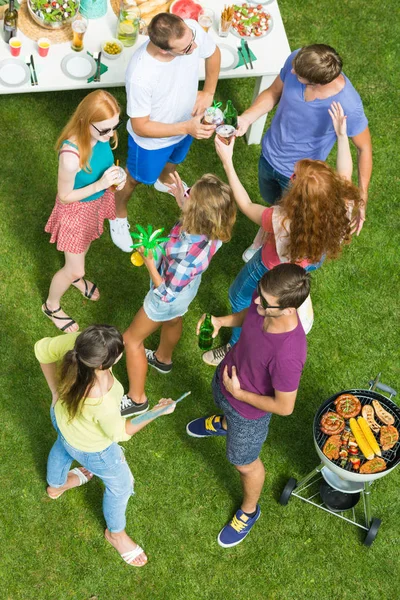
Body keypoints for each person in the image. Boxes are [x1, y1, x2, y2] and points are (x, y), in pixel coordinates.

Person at [203, 101, 361, 365]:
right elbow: (345, 174)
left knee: (239, 296)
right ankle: (297, 293)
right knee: (297, 275)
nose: (291, 175)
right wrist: (342, 136)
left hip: (270, 265)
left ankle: (235, 344)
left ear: (298, 198)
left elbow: (246, 205)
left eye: (295, 178)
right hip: (308, 259)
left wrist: (228, 163)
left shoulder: (283, 220)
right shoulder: (342, 205)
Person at [187, 264, 310, 548]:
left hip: (247, 412)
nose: (256, 301)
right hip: (227, 382)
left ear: (289, 309)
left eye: (265, 302)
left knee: (244, 464)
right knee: (221, 403)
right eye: (260, 294)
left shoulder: (288, 354)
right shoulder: (266, 298)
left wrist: (239, 394)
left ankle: (249, 512)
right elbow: (250, 315)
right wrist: (221, 321)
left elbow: (284, 406)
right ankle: (223, 423)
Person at [35, 324, 176, 567]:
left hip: (62, 420)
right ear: (104, 365)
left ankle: (56, 486)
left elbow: (42, 350)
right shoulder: (103, 396)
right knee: (120, 487)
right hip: (94, 450)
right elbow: (120, 433)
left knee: (63, 445)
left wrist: (54, 392)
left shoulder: (78, 344)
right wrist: (155, 412)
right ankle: (116, 535)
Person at [236, 44, 371, 260]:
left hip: (301, 178)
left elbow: (364, 148)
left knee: (290, 223)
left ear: (317, 83)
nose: (291, 71)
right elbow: (273, 92)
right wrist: (247, 118)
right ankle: (265, 233)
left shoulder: (348, 104)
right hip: (269, 155)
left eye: (297, 75)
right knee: (274, 207)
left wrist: (361, 196)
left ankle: (265, 247)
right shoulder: (298, 60)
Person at [120, 172, 236, 418]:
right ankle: (163, 359)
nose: (186, 192)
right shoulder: (213, 232)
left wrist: (150, 262)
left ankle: (137, 399)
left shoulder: (187, 260)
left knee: (131, 340)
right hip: (187, 291)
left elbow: (166, 294)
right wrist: (182, 198)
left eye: (189, 194)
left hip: (168, 293)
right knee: (174, 318)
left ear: (196, 214)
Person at [109, 12, 221, 252]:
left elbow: (212, 53)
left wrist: (209, 92)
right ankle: (117, 215)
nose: (195, 47)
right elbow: (140, 125)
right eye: (186, 48)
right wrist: (186, 127)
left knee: (174, 161)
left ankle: (164, 180)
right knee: (135, 178)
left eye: (192, 39)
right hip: (151, 141)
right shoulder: (141, 75)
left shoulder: (189, 31)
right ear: (163, 50)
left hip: (185, 126)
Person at [42, 90, 125, 333]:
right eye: (105, 130)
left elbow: (104, 166)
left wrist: (115, 179)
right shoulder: (71, 156)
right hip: (75, 212)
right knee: (75, 267)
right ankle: (51, 305)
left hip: (94, 204)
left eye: (114, 126)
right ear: (85, 122)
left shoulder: (101, 136)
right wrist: (100, 185)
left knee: (85, 245)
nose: (111, 135)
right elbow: (65, 196)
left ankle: (75, 277)